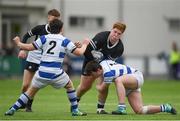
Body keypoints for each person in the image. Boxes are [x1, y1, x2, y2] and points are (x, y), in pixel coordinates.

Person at [5, 19, 90, 116]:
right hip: (55, 72)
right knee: (70, 86)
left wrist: (18, 43)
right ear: (61, 29)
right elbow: (79, 53)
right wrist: (85, 44)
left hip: (42, 72)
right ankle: (75, 110)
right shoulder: (64, 40)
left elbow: (29, 47)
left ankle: (13, 108)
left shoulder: (44, 38)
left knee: (29, 92)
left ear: (49, 28)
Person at [84, 60, 177, 115]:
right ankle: (165, 108)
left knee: (118, 80)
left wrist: (96, 85)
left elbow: (102, 89)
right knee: (140, 110)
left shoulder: (107, 73)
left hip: (136, 76)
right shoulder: (102, 64)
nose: (93, 76)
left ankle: (121, 108)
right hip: (127, 82)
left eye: (93, 74)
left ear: (99, 69)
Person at [76, 22, 126, 114]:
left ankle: (100, 108)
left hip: (104, 66)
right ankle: (75, 102)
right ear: (112, 30)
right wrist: (94, 65)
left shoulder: (119, 48)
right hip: (90, 61)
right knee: (85, 87)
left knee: (105, 85)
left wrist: (101, 70)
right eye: (115, 32)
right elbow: (87, 51)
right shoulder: (101, 37)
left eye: (119, 34)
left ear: (121, 35)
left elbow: (109, 63)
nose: (116, 35)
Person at [18, 9, 60, 112]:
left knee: (35, 85)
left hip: (44, 61)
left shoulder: (58, 33)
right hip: (33, 58)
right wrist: (22, 49)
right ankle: (22, 102)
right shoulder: (39, 28)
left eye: (57, 20)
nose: (56, 22)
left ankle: (28, 106)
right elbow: (26, 36)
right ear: (49, 17)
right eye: (54, 19)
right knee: (25, 85)